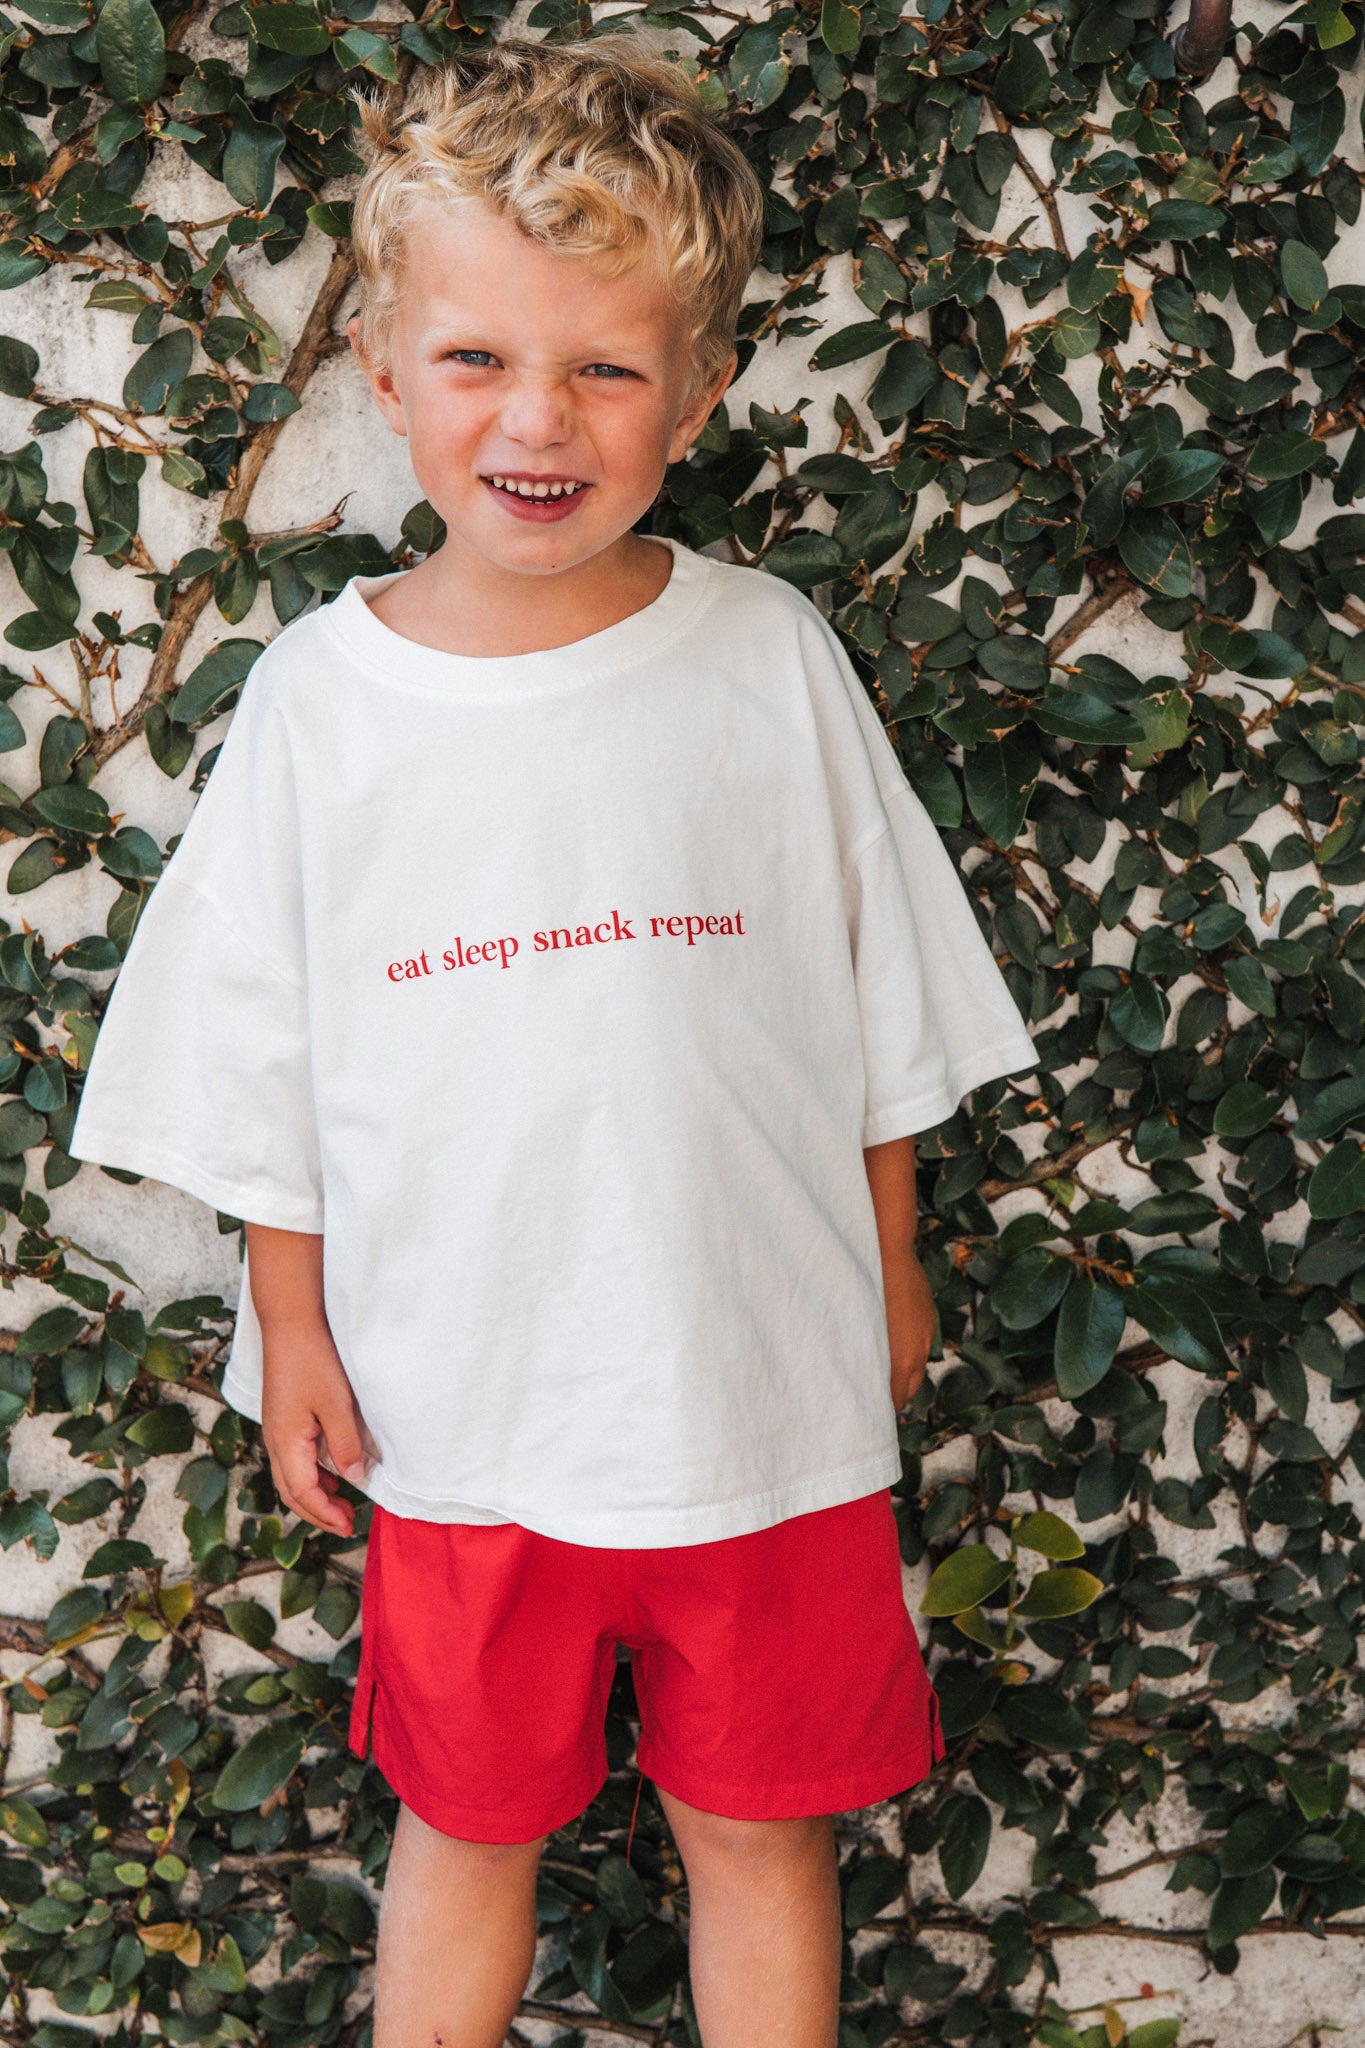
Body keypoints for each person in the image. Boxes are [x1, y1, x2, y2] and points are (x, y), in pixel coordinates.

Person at [66, 31, 1037, 2048]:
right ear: (383, 372)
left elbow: (866, 1006)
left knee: (759, 1833)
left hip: (755, 1402)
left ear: (698, 388)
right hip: (463, 1407)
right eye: (480, 360)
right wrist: (296, 1330)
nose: (541, 419)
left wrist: (894, 1263)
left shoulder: (765, 653)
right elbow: (259, 1055)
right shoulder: (324, 704)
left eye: (605, 367)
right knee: (463, 1820)